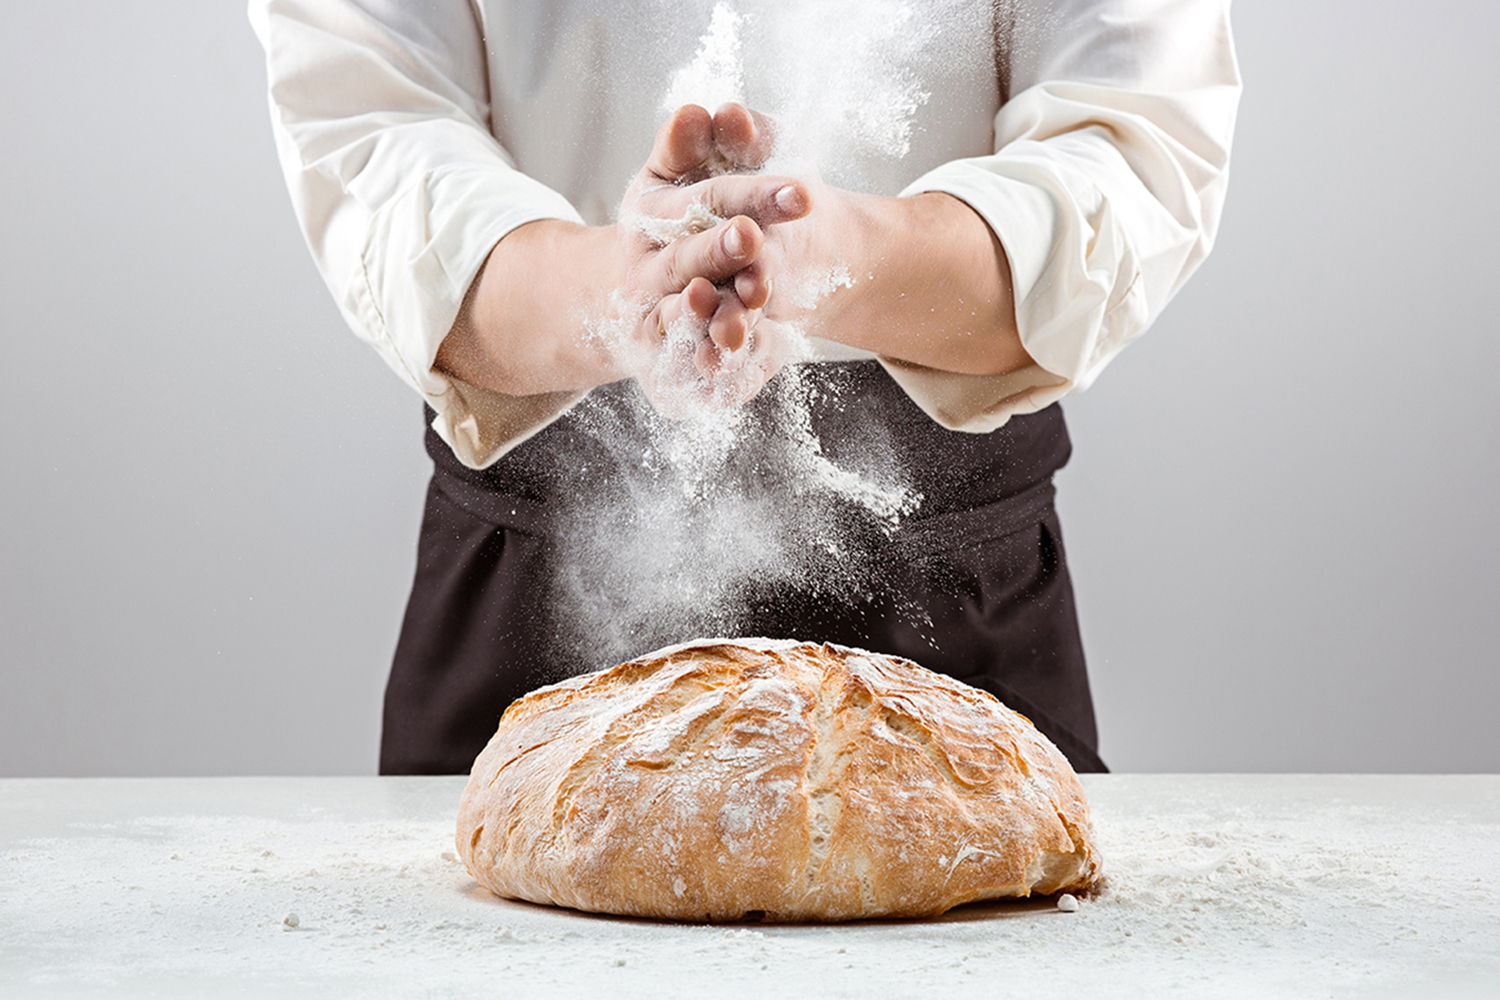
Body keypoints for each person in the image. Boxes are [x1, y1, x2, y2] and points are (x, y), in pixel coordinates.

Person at [251, 0, 1240, 775]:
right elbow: (377, 125)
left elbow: (1131, 141)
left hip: (944, 579)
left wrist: (834, 257)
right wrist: (625, 293)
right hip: (532, 556)